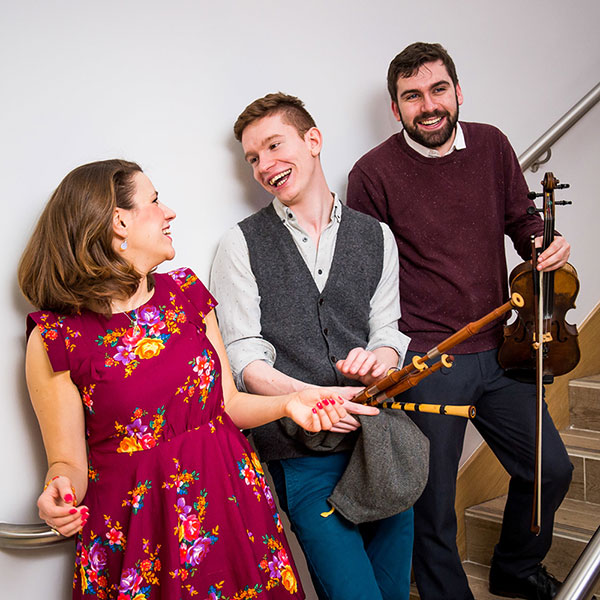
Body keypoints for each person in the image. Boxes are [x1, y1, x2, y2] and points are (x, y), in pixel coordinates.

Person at [18, 159, 351, 600]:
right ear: (119, 222)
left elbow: (226, 404)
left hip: (232, 506)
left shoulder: (187, 294)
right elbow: (68, 464)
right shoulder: (55, 338)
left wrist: (289, 403)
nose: (169, 212)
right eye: (155, 201)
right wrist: (57, 492)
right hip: (141, 533)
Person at [346, 42, 574, 600]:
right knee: (432, 507)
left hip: (503, 349)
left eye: (438, 90)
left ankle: (515, 568)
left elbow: (520, 219)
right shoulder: (370, 173)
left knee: (550, 469)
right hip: (428, 357)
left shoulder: (492, 144)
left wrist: (542, 241)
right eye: (412, 96)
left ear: (457, 92)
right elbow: (366, 278)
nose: (428, 105)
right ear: (395, 106)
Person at [210, 93, 416, 600]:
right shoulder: (239, 243)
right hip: (299, 457)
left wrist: (381, 361)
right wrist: (310, 399)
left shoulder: (378, 237)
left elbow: (388, 331)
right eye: (253, 158)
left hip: (380, 443)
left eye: (274, 145)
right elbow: (242, 355)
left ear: (314, 141)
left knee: (391, 592)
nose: (264, 165)